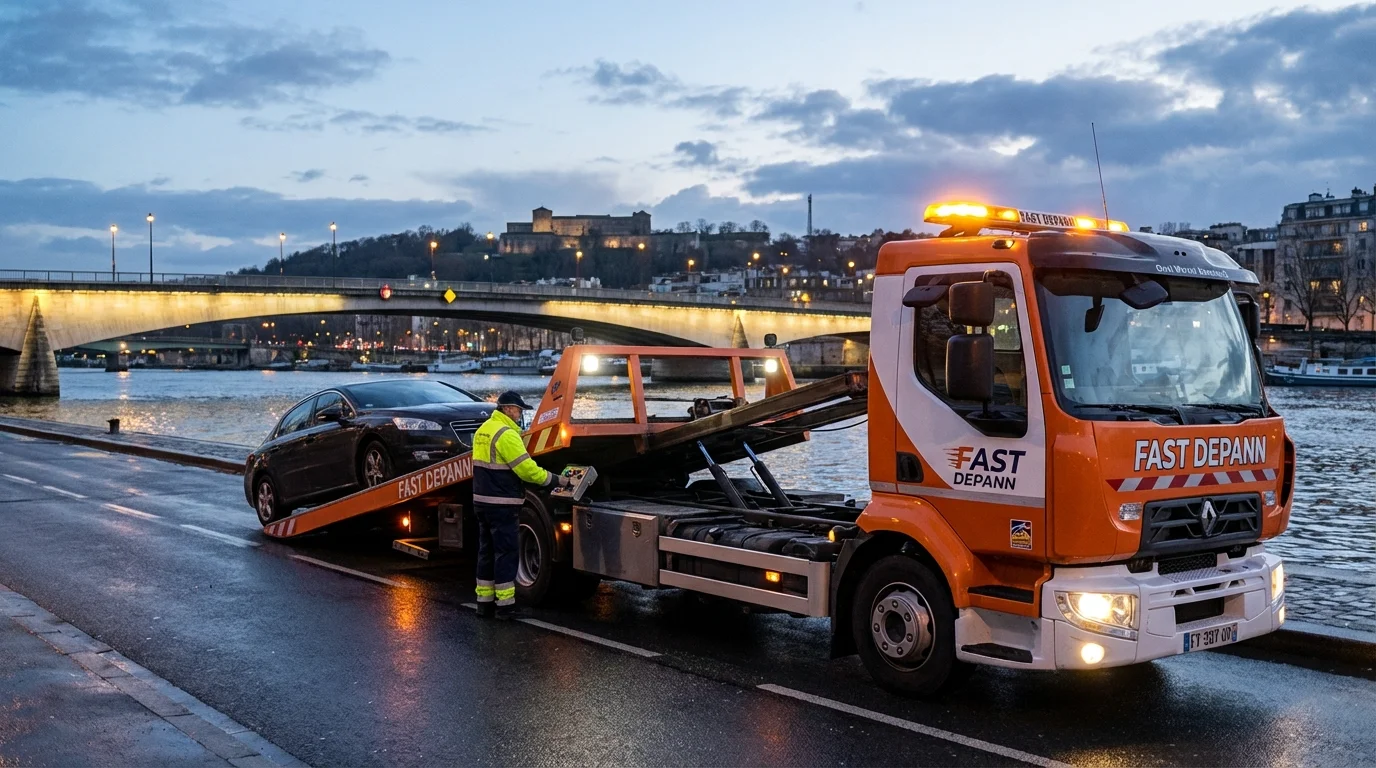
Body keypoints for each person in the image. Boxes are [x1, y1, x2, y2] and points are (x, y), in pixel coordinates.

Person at [471, 390, 566, 619]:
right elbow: (526, 470)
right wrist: (555, 480)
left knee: (486, 551)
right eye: (517, 410)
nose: (519, 414)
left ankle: (484, 603)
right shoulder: (506, 434)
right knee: (506, 552)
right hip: (502, 503)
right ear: (506, 408)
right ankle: (505, 606)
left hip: (482, 502)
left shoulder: (483, 430)